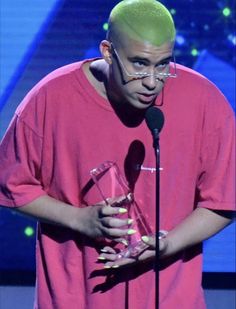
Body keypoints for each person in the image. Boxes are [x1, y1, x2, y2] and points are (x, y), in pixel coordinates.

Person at [0, 0, 235, 308]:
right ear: (108, 51)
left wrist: (168, 244)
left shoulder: (205, 103)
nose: (152, 82)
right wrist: (79, 219)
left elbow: (223, 201)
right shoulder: (49, 99)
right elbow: (10, 184)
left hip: (169, 299)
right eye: (139, 64)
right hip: (76, 298)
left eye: (163, 64)